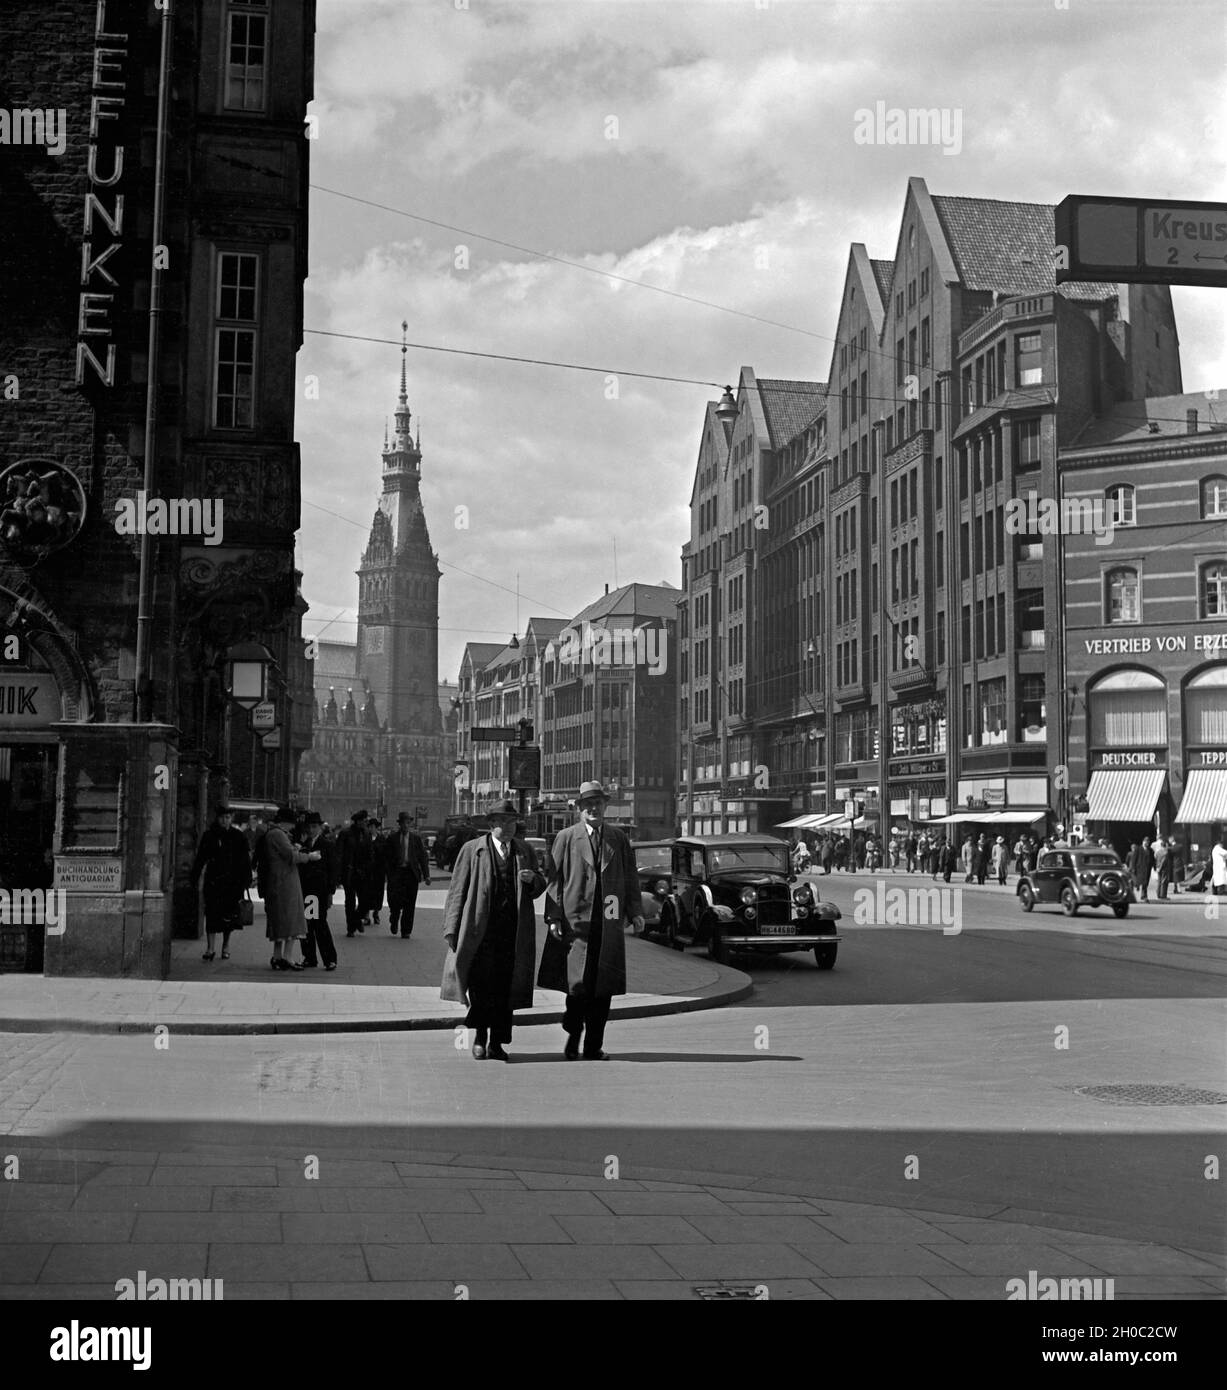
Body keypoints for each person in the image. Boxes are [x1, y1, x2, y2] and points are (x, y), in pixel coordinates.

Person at [538, 781, 644, 1061]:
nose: (593, 808)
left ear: (605, 806)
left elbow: (631, 876)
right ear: (579, 809)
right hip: (576, 924)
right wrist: (554, 916)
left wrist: (636, 911)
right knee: (577, 986)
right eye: (587, 805)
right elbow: (554, 880)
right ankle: (573, 1035)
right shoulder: (567, 837)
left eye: (598, 803)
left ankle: (593, 1046)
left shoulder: (617, 838)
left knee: (603, 987)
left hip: (608, 923)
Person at [441, 800, 545, 1061]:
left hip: (512, 932)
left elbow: (540, 885)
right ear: (491, 824)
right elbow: (457, 891)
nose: (508, 827)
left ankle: (497, 1043)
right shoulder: (472, 850)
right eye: (502, 822)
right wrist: (451, 927)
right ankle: (479, 1038)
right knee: (480, 986)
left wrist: (534, 881)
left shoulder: (524, 850)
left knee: (505, 988)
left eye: (511, 822)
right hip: (480, 933)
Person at [189, 804, 251, 962]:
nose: (225, 820)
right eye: (223, 817)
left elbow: (245, 860)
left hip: (232, 882)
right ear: (218, 818)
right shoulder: (209, 835)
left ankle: (225, 946)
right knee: (211, 914)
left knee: (229, 917)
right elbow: (201, 857)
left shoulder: (238, 836)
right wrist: (194, 877)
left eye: (228, 817)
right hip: (214, 881)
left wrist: (246, 880)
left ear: (231, 819)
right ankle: (210, 948)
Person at [264, 806, 315, 970]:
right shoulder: (278, 834)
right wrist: (310, 857)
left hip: (279, 880)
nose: (292, 827)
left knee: (280, 920)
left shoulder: (274, 834)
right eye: (291, 823)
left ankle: (277, 956)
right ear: (285, 822)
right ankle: (287, 957)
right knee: (292, 919)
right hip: (285, 882)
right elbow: (291, 856)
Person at [297, 811, 338, 971]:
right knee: (307, 924)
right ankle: (309, 957)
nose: (312, 830)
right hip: (306, 890)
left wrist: (330, 892)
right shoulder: (304, 844)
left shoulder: (327, 845)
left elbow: (333, 869)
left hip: (319, 891)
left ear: (320, 827)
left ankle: (329, 959)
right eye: (310, 827)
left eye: (315, 827)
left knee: (320, 924)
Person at [385, 812, 431, 937]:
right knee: (395, 901)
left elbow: (422, 857)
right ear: (400, 824)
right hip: (397, 873)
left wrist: (426, 875)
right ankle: (394, 918)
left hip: (411, 874)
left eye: (408, 823)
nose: (406, 825)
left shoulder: (415, 839)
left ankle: (406, 930)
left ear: (410, 824)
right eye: (403, 823)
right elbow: (386, 857)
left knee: (409, 904)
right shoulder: (392, 838)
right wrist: (387, 873)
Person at [337, 810, 371, 936]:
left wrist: (369, 868)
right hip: (349, 872)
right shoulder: (345, 833)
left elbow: (369, 852)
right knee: (350, 901)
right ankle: (350, 927)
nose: (365, 823)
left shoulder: (366, 834)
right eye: (363, 820)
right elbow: (339, 854)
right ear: (357, 821)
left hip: (362, 872)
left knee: (365, 901)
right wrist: (339, 873)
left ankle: (356, 920)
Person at [1129, 838, 1153, 902]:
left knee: (1145, 883)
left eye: (1148, 842)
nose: (1146, 843)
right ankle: (1134, 893)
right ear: (1143, 842)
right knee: (1138, 882)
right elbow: (1134, 859)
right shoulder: (1138, 849)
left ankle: (1144, 896)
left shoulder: (1150, 850)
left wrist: (1154, 866)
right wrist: (1133, 868)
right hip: (1140, 868)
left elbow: (1152, 859)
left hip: (1147, 869)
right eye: (1145, 842)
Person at [1153, 835, 1170, 900]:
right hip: (1164, 868)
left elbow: (1156, 859)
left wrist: (1157, 867)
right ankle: (1163, 895)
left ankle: (1158, 894)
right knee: (1164, 882)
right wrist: (1160, 868)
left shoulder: (1158, 852)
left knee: (1159, 881)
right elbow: (1164, 861)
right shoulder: (1165, 852)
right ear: (1165, 845)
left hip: (1158, 867)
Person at [1211, 832, 1227, 897]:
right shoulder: (1218, 848)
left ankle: (1216, 891)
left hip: (1218, 867)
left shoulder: (1216, 849)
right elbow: (1226, 853)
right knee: (1221, 880)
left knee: (1218, 880)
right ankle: (1221, 891)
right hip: (1220, 867)